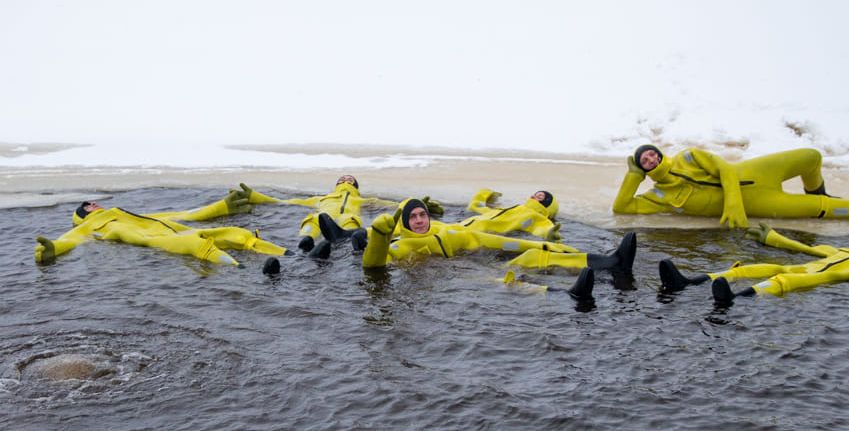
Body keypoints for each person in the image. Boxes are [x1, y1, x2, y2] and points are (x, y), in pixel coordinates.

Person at [657, 221, 849, 305]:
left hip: (824, 279)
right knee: (750, 267)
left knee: (785, 283)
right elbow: (809, 249)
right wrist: (774, 240)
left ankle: (735, 300)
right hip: (810, 268)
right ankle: (687, 283)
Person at [613, 144, 849, 227]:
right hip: (760, 204)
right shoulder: (659, 195)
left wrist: (733, 204)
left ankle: (818, 190)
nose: (650, 159)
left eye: (651, 153)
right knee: (817, 210)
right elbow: (622, 207)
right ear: (643, 167)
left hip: (754, 173)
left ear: (658, 152)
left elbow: (724, 170)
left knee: (810, 157)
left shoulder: (687, 156)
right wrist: (633, 176)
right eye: (644, 161)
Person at [358, 198, 636, 275]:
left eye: (423, 215)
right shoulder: (401, 244)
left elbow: (482, 236)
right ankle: (588, 279)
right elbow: (374, 265)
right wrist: (379, 237)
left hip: (470, 246)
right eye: (413, 217)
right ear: (404, 221)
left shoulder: (441, 228)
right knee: (526, 261)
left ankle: (609, 261)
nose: (419, 221)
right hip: (458, 271)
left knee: (532, 247)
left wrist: (548, 235)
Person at [35, 195, 288, 267]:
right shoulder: (90, 226)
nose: (93, 204)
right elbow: (69, 240)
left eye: (91, 201)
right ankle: (243, 272)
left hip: (176, 231)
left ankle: (291, 255)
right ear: (83, 215)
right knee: (195, 246)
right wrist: (52, 249)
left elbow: (178, 216)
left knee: (234, 232)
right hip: (159, 241)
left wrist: (219, 208)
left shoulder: (121, 213)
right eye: (86, 205)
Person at [230, 177, 443, 251]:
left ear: (356, 186)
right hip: (321, 218)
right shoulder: (321, 199)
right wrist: (256, 196)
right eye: (343, 178)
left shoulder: (361, 200)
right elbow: (286, 202)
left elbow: (394, 206)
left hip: (348, 222)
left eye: (350, 179)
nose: (346, 180)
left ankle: (342, 243)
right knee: (312, 223)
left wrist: (417, 205)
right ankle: (304, 244)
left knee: (351, 226)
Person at [458, 188, 563, 241]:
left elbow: (541, 227)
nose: (532, 196)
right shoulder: (515, 209)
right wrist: (484, 193)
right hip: (464, 228)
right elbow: (479, 208)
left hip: (478, 235)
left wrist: (549, 233)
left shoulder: (536, 217)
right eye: (535, 194)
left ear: (545, 206)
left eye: (539, 197)